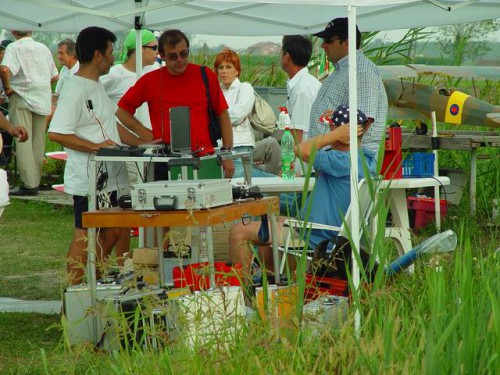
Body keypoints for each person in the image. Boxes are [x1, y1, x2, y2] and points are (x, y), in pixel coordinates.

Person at [229, 105, 377, 275]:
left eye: (331, 128)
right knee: (268, 222)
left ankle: (240, 293)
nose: (328, 131)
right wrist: (336, 133)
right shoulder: (365, 159)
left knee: (239, 231)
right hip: (330, 231)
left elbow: (301, 149)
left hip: (317, 236)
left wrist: (333, 136)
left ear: (343, 134)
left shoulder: (340, 160)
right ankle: (274, 284)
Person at [48, 26, 141, 285]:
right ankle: (74, 295)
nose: (114, 58)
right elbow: (57, 133)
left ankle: (94, 285)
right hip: (89, 179)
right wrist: (96, 147)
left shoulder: (96, 84)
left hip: (110, 177)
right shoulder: (75, 88)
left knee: (113, 232)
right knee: (84, 236)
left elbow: (113, 126)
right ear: (98, 55)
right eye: (111, 53)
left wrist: (147, 142)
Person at [116, 29, 234, 178]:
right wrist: (144, 134)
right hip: (165, 159)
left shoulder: (205, 75)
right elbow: (121, 111)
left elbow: (222, 113)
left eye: (184, 54)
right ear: (162, 56)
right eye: (173, 56)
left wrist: (227, 154)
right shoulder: (150, 80)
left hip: (204, 159)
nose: (179, 60)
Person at [309, 18, 388, 157]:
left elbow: (363, 123)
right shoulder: (342, 69)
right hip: (332, 160)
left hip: (346, 165)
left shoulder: (362, 72)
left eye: (328, 40)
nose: (323, 46)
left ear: (347, 42)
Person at [0, 30, 58, 196]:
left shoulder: (14, 47)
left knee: (23, 139)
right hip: (41, 97)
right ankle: (35, 181)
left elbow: (4, 69)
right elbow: (55, 76)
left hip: (21, 96)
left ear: (13, 31)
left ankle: (29, 184)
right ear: (31, 30)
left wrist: (8, 88)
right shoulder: (43, 48)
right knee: (38, 141)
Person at [101, 29, 158, 184]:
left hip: (153, 142)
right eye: (154, 48)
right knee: (133, 189)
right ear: (139, 48)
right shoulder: (114, 74)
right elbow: (94, 96)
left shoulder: (155, 71)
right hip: (127, 144)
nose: (157, 52)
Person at [280, 35, 322, 176]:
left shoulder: (302, 89)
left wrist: (286, 169)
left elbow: (297, 133)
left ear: (287, 56)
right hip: (305, 164)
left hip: (304, 169)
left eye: (281, 52)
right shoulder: (302, 83)